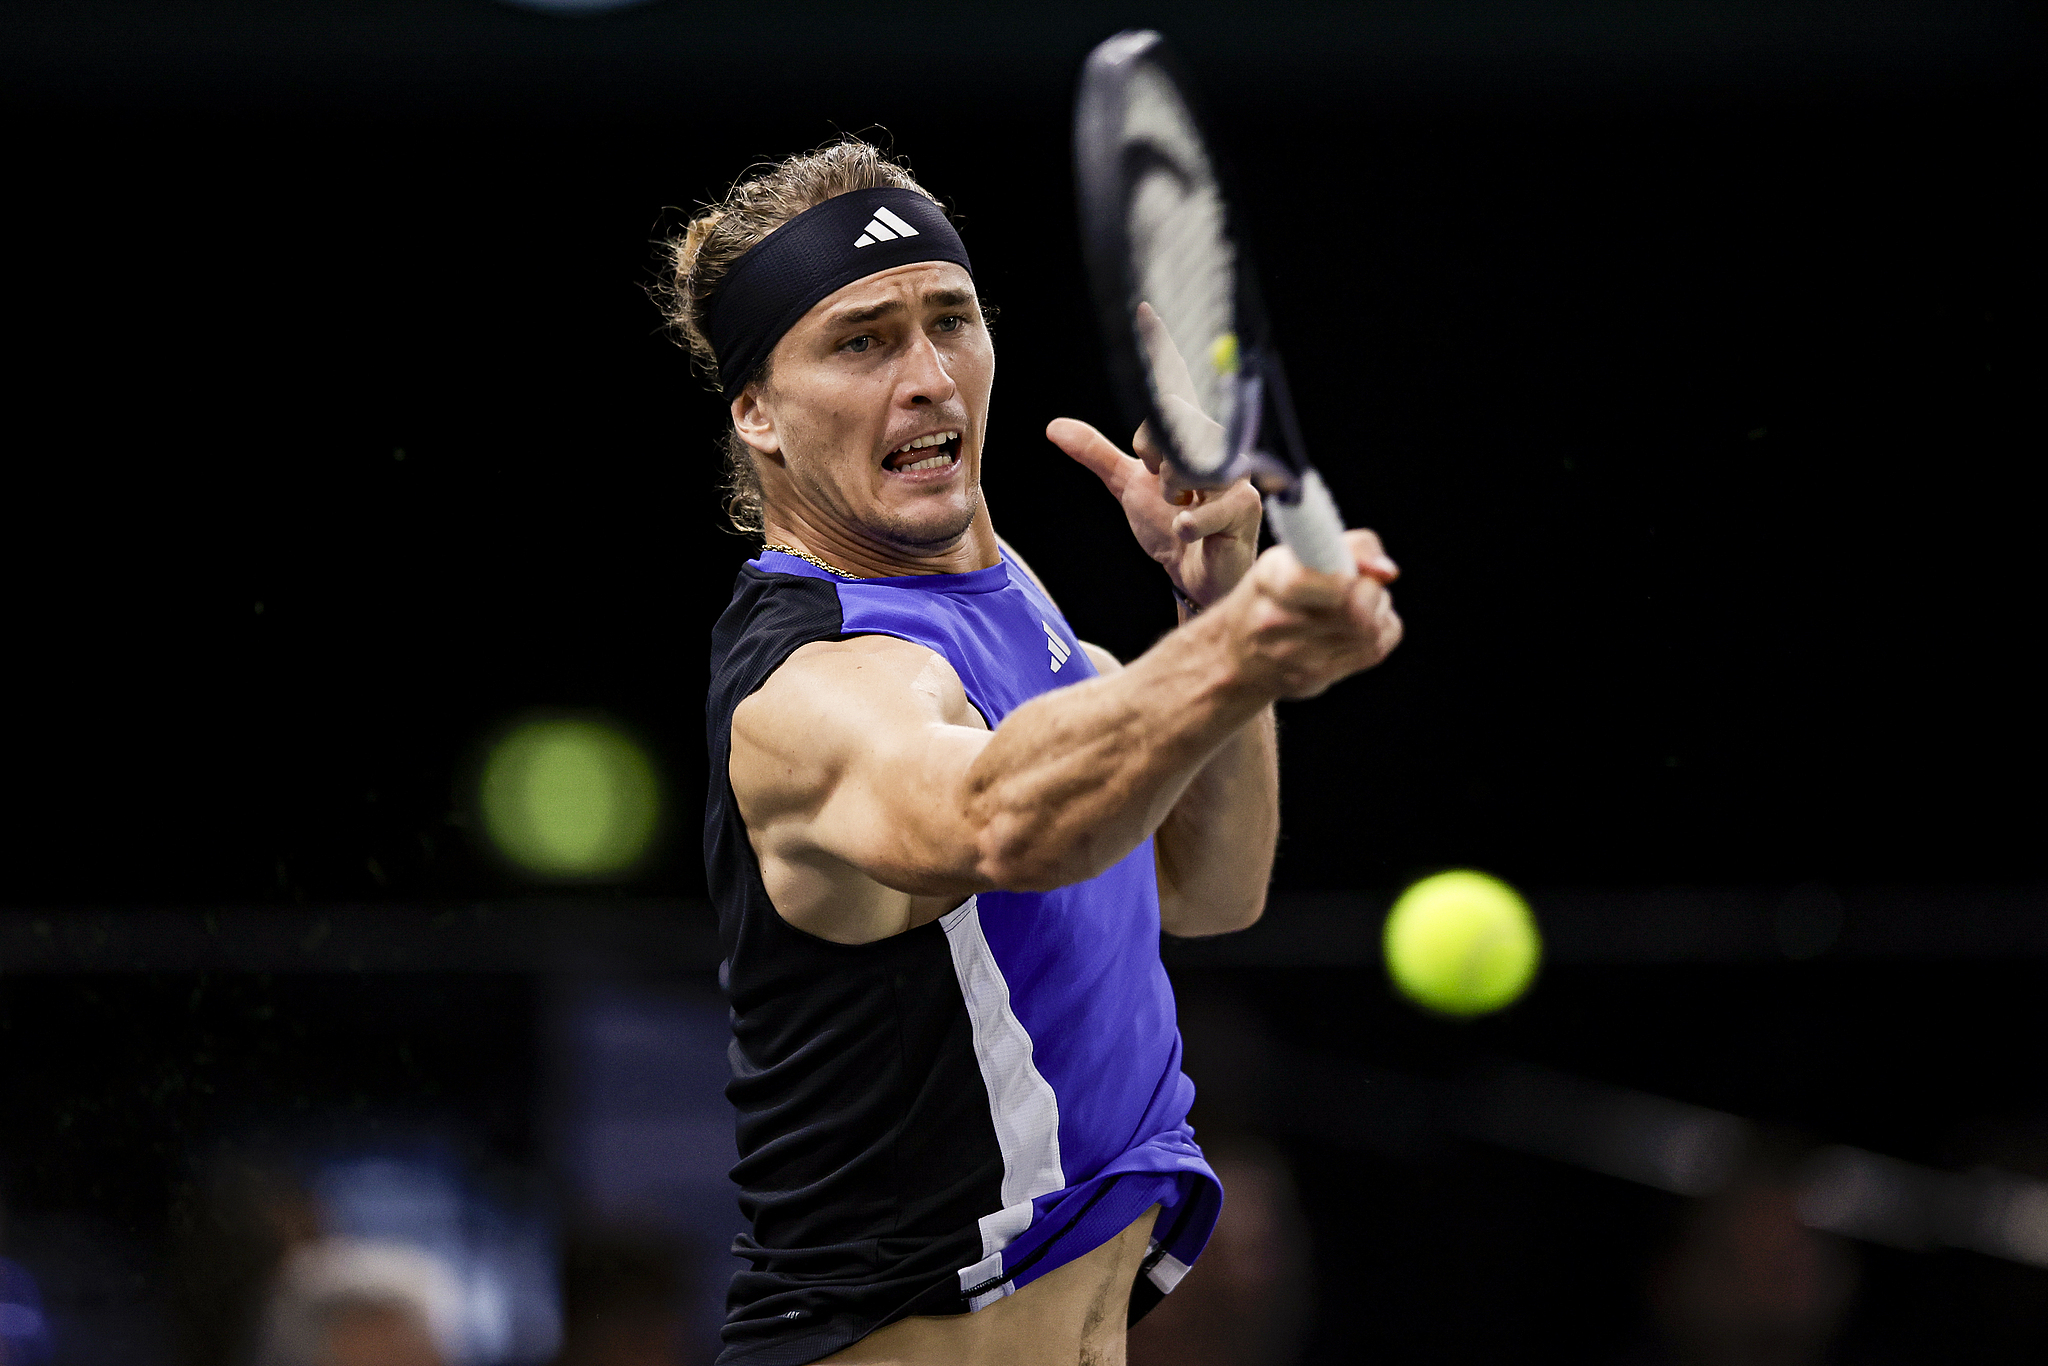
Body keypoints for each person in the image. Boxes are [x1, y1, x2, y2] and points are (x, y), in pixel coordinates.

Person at [663, 138, 1402, 1366]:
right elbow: (998, 822)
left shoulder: (1027, 625)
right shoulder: (810, 686)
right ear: (756, 411)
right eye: (859, 341)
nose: (925, 378)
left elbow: (1209, 889)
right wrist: (1236, 657)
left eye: (946, 319)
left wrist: (1214, 604)